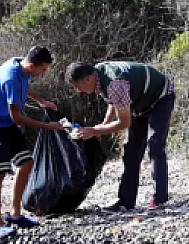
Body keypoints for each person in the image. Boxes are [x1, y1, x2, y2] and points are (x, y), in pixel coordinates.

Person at [0, 46, 65, 237]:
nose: (44, 73)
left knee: (26, 163)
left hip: (6, 124)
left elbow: (24, 87)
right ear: (32, 65)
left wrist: (41, 101)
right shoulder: (10, 77)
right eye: (43, 70)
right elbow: (17, 118)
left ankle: (15, 214)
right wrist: (48, 126)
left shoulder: (20, 64)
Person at [64, 60, 175, 213]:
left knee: (155, 145)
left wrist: (96, 131)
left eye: (78, 86)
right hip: (139, 102)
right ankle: (125, 202)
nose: (79, 91)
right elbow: (113, 101)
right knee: (131, 152)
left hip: (160, 97)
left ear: (88, 79)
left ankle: (160, 199)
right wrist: (103, 124)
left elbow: (124, 122)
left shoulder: (115, 83)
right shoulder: (99, 74)